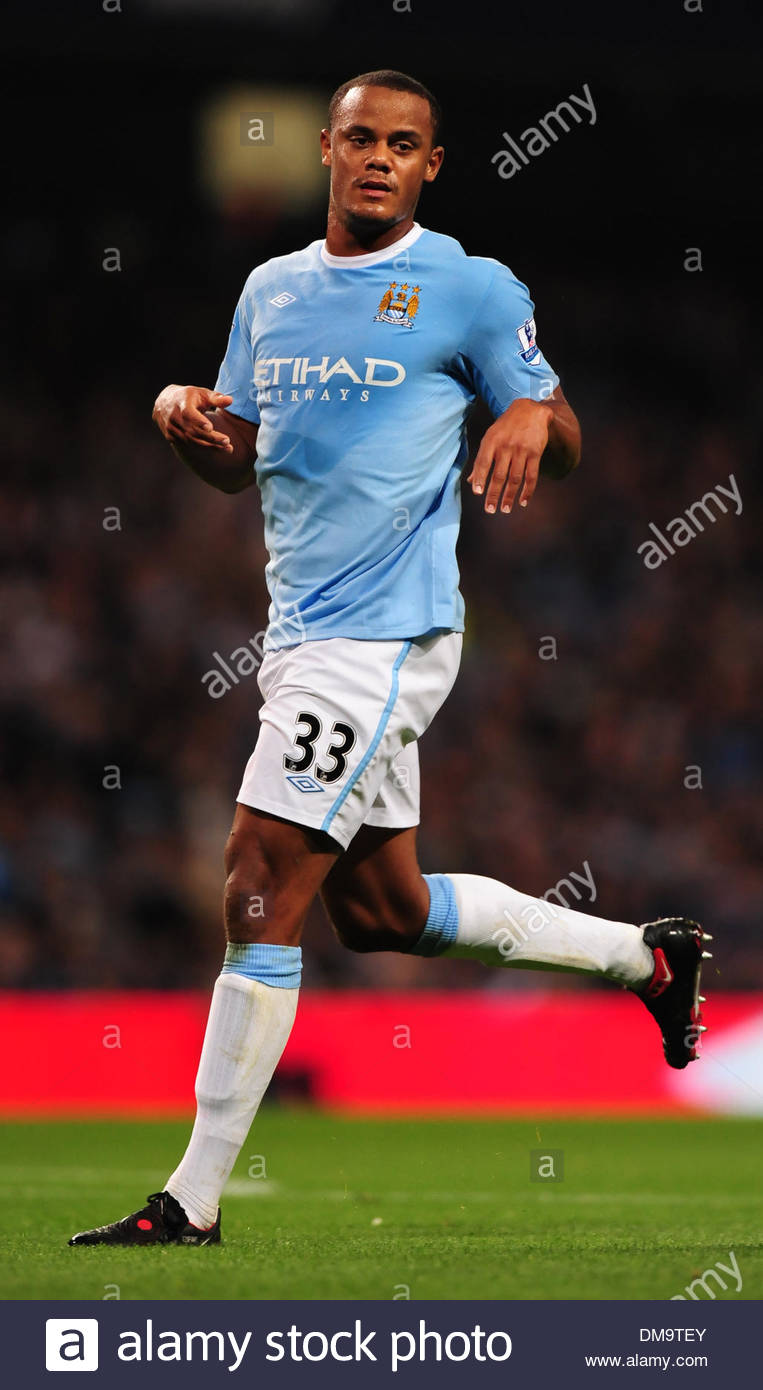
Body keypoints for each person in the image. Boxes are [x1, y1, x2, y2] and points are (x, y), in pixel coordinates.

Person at [69, 70, 709, 1248]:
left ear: (431, 165)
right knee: (381, 909)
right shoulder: (270, 291)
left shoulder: (469, 288)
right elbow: (239, 456)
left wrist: (532, 414)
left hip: (387, 635)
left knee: (256, 880)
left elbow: (560, 430)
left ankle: (190, 1200)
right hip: (299, 633)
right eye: (360, 138)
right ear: (325, 148)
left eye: (402, 145)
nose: (378, 158)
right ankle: (644, 959)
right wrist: (181, 420)